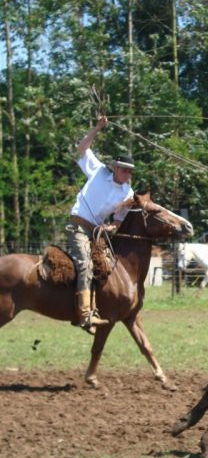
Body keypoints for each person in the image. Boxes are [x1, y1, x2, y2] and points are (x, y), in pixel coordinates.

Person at [66, 115, 135, 334]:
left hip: (96, 233)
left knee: (105, 269)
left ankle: (100, 308)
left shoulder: (128, 193)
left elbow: (117, 221)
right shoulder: (97, 171)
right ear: (115, 167)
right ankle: (85, 314)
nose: (127, 174)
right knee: (85, 265)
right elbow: (82, 147)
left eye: (130, 171)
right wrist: (98, 127)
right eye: (124, 170)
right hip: (77, 227)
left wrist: (111, 227)